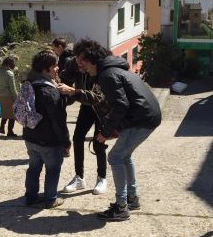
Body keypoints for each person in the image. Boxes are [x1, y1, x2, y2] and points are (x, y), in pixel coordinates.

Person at [73, 39, 162, 221]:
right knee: (124, 156)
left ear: (92, 59)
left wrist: (105, 132)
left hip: (141, 119)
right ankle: (132, 198)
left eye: (80, 59)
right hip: (147, 116)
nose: (78, 63)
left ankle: (121, 207)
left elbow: (121, 106)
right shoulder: (114, 70)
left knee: (115, 157)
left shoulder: (107, 75)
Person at [23, 50, 71, 209]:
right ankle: (51, 199)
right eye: (54, 66)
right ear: (45, 70)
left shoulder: (28, 85)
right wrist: (65, 141)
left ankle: (30, 197)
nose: (57, 68)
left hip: (30, 137)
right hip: (49, 141)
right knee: (53, 169)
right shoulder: (50, 92)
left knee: (33, 168)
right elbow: (58, 121)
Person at [57, 56, 108, 195]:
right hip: (86, 106)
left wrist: (73, 91)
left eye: (82, 60)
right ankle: (79, 177)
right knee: (77, 138)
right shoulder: (73, 63)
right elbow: (65, 80)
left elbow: (98, 96)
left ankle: (102, 178)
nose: (79, 63)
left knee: (99, 142)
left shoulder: (100, 65)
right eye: (77, 59)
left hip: (102, 107)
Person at [0, 56, 18, 137]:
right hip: (8, 95)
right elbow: (12, 87)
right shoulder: (9, 73)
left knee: (5, 111)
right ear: (9, 64)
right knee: (12, 113)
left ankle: (2, 127)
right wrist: (16, 97)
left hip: (0, 95)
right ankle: (10, 131)